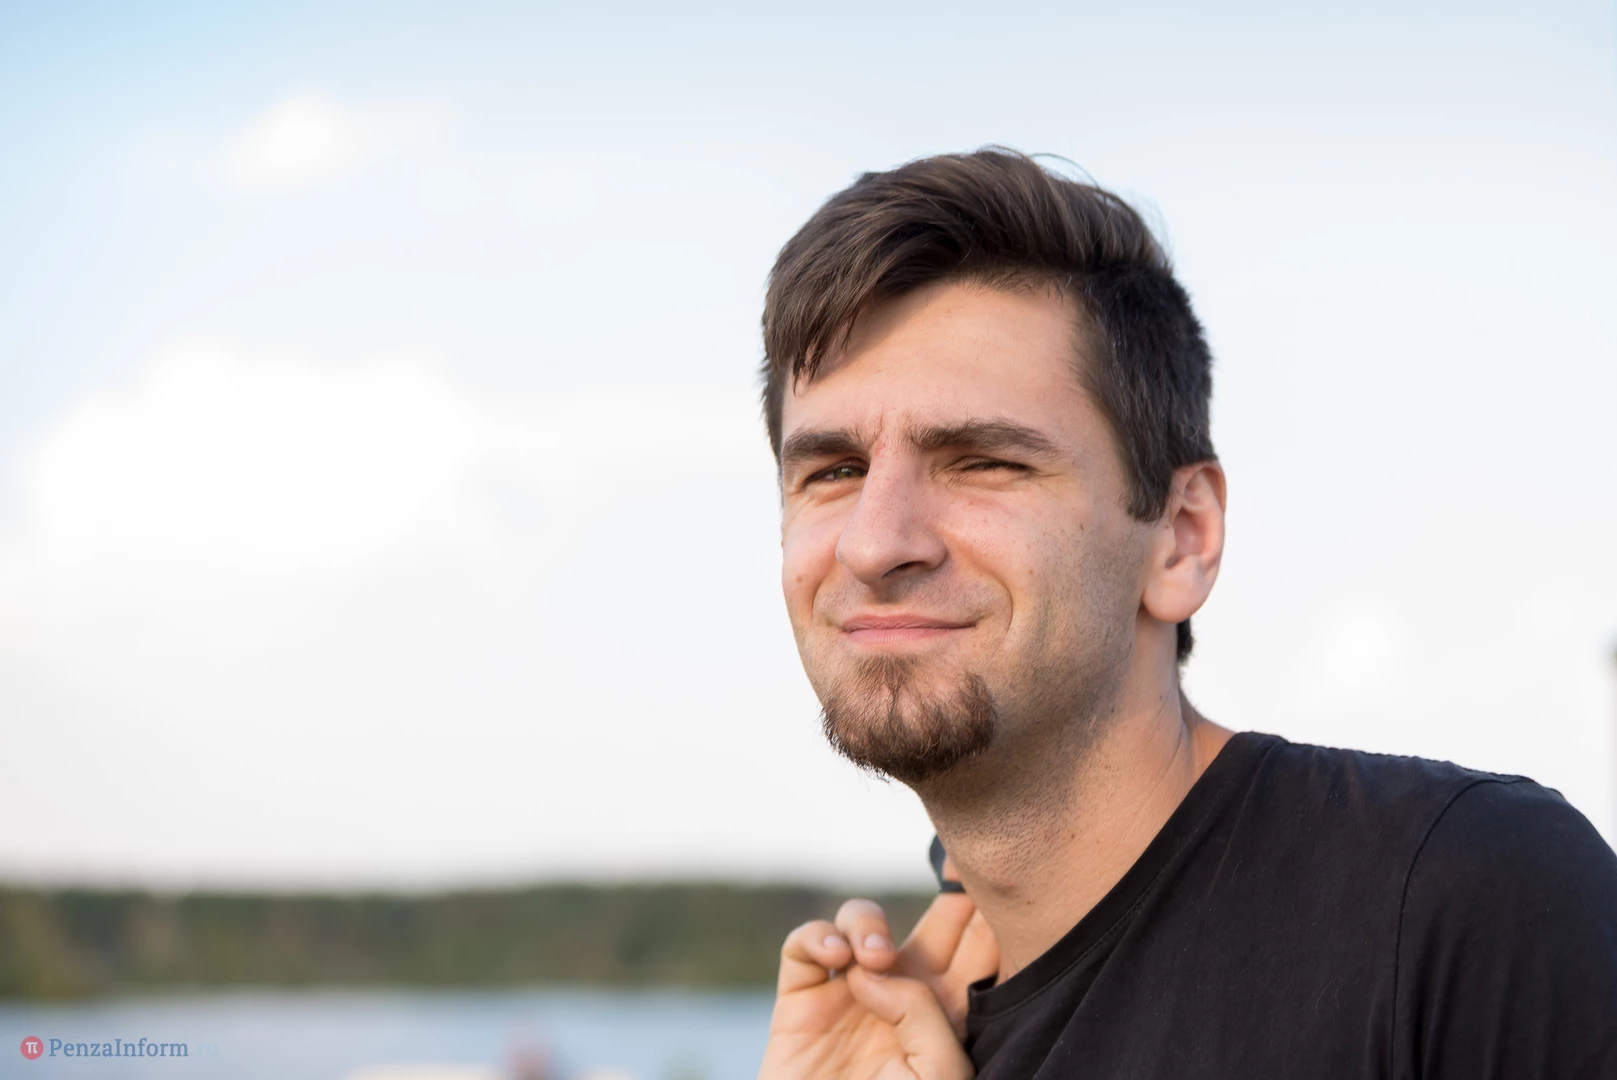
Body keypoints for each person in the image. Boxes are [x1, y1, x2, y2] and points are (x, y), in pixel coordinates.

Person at [753, 149, 1617, 1079]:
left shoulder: (1460, 899)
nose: (874, 543)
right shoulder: (899, 1050)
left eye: (983, 461)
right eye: (833, 471)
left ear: (1180, 538)